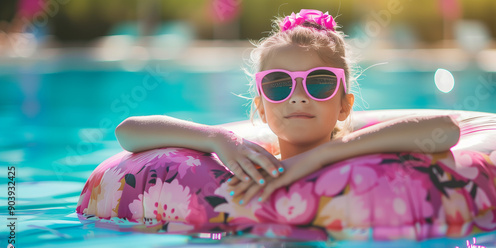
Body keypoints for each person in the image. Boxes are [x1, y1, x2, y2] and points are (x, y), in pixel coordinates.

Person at [115, 9, 460, 207]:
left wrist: (320, 157)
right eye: (278, 84)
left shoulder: (358, 155)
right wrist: (216, 137)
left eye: (320, 82)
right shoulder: (244, 160)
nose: (298, 96)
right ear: (261, 109)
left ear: (344, 106)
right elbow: (128, 131)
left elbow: (446, 129)